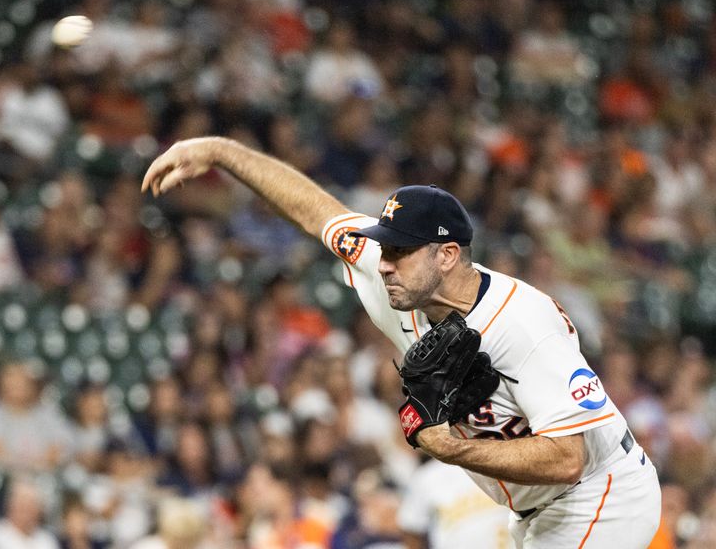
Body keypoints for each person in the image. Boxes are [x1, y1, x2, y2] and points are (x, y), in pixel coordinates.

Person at [142, 137, 662, 548]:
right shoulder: (380, 267)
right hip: (533, 509)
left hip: (599, 492)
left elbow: (568, 458)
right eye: (384, 246)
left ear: (448, 255)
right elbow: (312, 209)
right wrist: (220, 152)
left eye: (402, 251)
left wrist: (451, 447)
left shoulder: (524, 324)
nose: (383, 261)